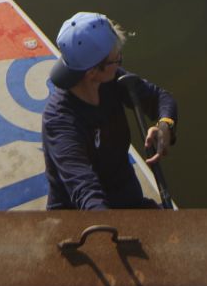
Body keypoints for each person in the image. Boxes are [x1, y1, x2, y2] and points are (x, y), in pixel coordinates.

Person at [41, 11, 176, 211]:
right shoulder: (59, 122)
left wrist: (165, 125)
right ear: (92, 72)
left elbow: (160, 98)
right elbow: (85, 191)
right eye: (116, 59)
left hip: (126, 197)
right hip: (81, 215)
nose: (120, 61)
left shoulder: (113, 80)